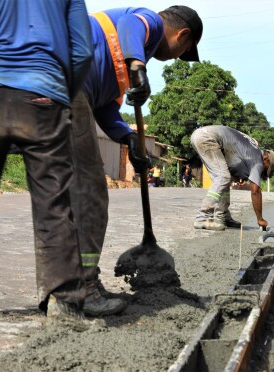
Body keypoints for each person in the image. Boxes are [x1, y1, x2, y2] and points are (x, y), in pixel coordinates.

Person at [0, 0, 93, 319]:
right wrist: (60, 94)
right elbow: (83, 51)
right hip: (45, 97)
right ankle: (64, 298)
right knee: (53, 200)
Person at [67, 6, 203, 316]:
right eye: (183, 51)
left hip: (77, 91)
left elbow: (105, 110)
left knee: (66, 196)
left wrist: (127, 137)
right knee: (90, 195)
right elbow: (131, 24)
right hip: (66, 82)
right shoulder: (149, 23)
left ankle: (67, 286)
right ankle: (82, 287)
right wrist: (138, 65)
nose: (176, 55)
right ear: (183, 36)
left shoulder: (121, 63)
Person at [191, 126, 274, 231]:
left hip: (203, 135)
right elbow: (255, 191)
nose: (262, 171)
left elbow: (233, 155)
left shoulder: (252, 149)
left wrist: (237, 175)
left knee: (225, 178)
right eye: (266, 169)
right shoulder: (257, 160)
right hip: (207, 138)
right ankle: (203, 216)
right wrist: (260, 219)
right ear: (266, 159)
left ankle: (222, 215)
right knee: (222, 177)